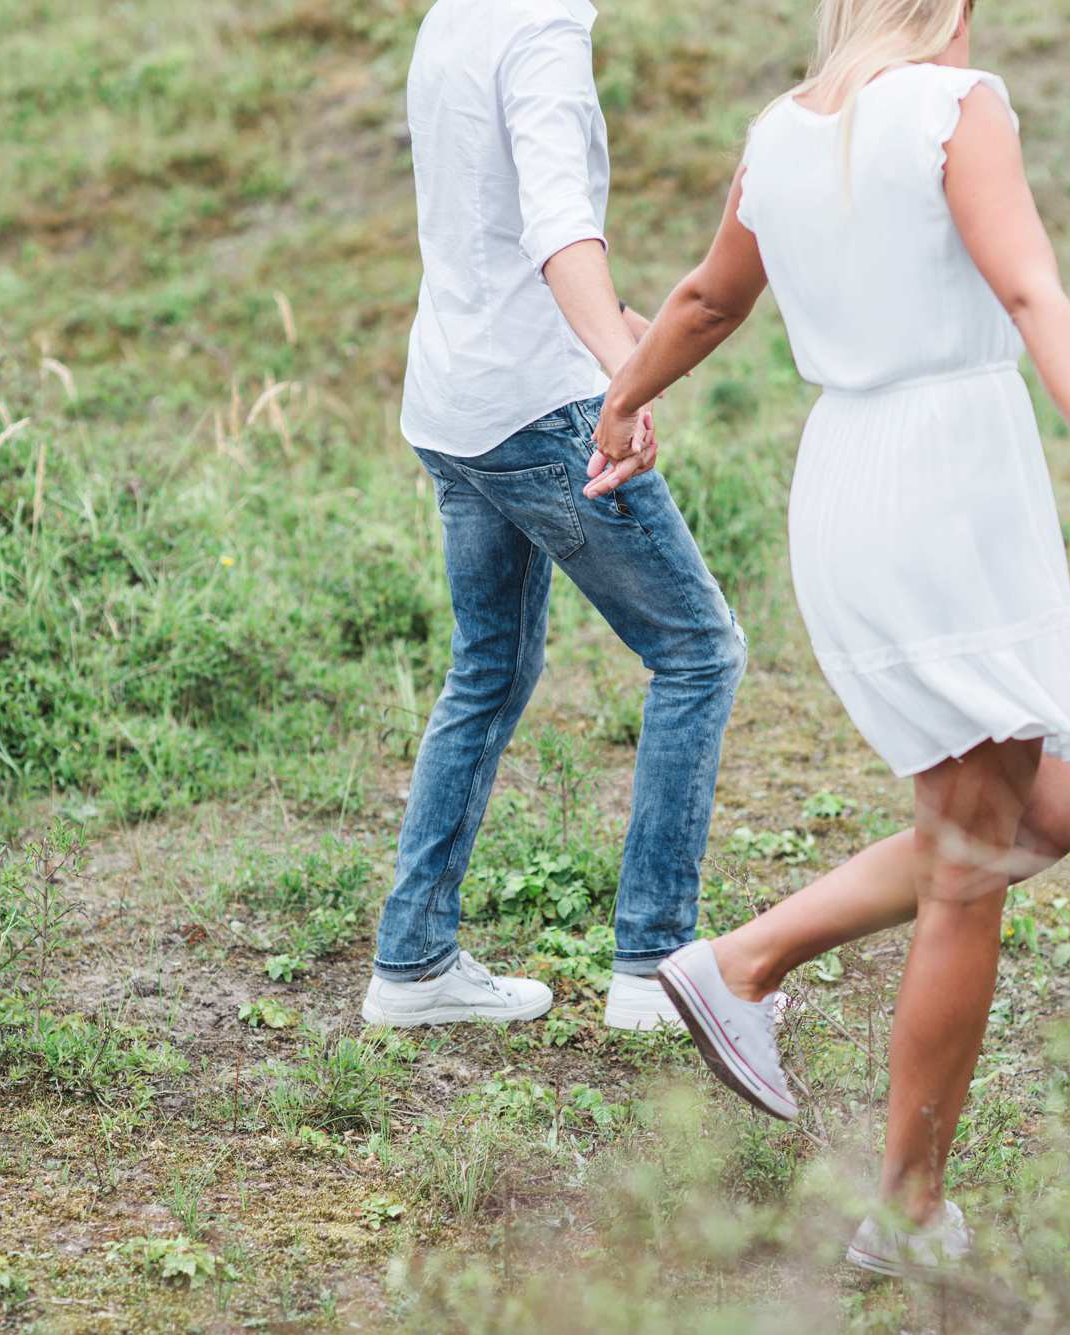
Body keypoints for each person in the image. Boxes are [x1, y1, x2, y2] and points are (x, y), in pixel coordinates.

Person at [588, 0, 1070, 1275]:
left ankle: (739, 962)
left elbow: (707, 297)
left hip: (851, 481)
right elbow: (1029, 285)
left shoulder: (781, 129)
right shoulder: (953, 107)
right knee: (975, 854)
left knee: (1040, 816)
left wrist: (623, 402)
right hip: (943, 484)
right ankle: (908, 1215)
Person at [362, 0, 748, 1032]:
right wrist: (623, 379)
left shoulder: (457, 15)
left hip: (451, 399)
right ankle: (656, 966)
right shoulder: (540, 30)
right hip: (536, 414)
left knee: (487, 668)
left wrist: (610, 328)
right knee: (696, 653)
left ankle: (411, 965)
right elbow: (553, 225)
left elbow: (480, 217)